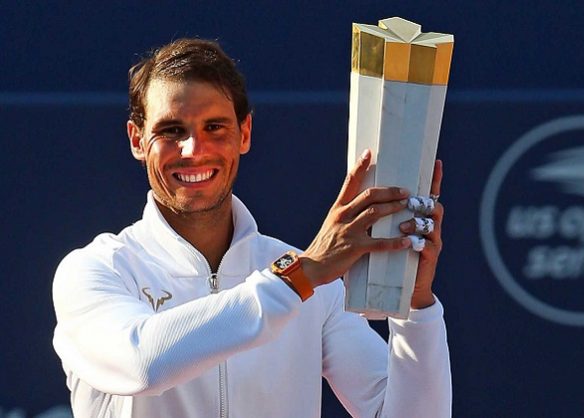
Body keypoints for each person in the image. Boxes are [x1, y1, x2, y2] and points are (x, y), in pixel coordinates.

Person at [52, 38, 451, 418]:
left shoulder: (314, 285)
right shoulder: (94, 270)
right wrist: (300, 275)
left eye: (215, 128)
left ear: (244, 134)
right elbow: (143, 363)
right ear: (137, 140)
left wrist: (416, 307)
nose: (194, 150)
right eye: (171, 130)